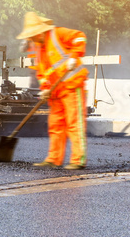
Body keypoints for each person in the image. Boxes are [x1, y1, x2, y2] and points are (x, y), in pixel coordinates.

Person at [18, 12, 88, 169]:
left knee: (74, 123)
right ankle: (54, 159)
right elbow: (43, 73)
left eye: (34, 35)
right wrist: (45, 89)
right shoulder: (39, 49)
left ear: (41, 31)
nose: (33, 39)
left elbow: (80, 37)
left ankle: (78, 160)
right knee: (55, 124)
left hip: (71, 85)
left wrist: (74, 57)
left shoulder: (58, 34)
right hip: (56, 92)